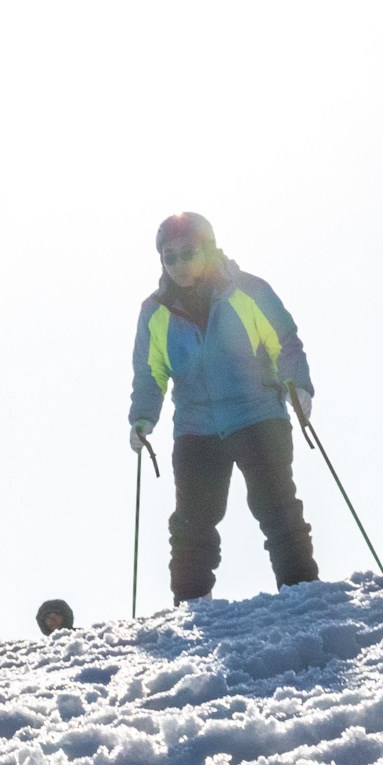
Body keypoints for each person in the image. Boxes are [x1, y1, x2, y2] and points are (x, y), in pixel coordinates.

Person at [127, 212, 319, 601]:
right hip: (196, 429)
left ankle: (303, 598)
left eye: (187, 252)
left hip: (258, 416)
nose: (179, 263)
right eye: (170, 257)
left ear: (208, 249)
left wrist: (297, 385)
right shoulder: (155, 311)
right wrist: (142, 418)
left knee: (278, 508)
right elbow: (151, 372)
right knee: (192, 526)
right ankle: (194, 609)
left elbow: (284, 340)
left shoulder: (247, 290)